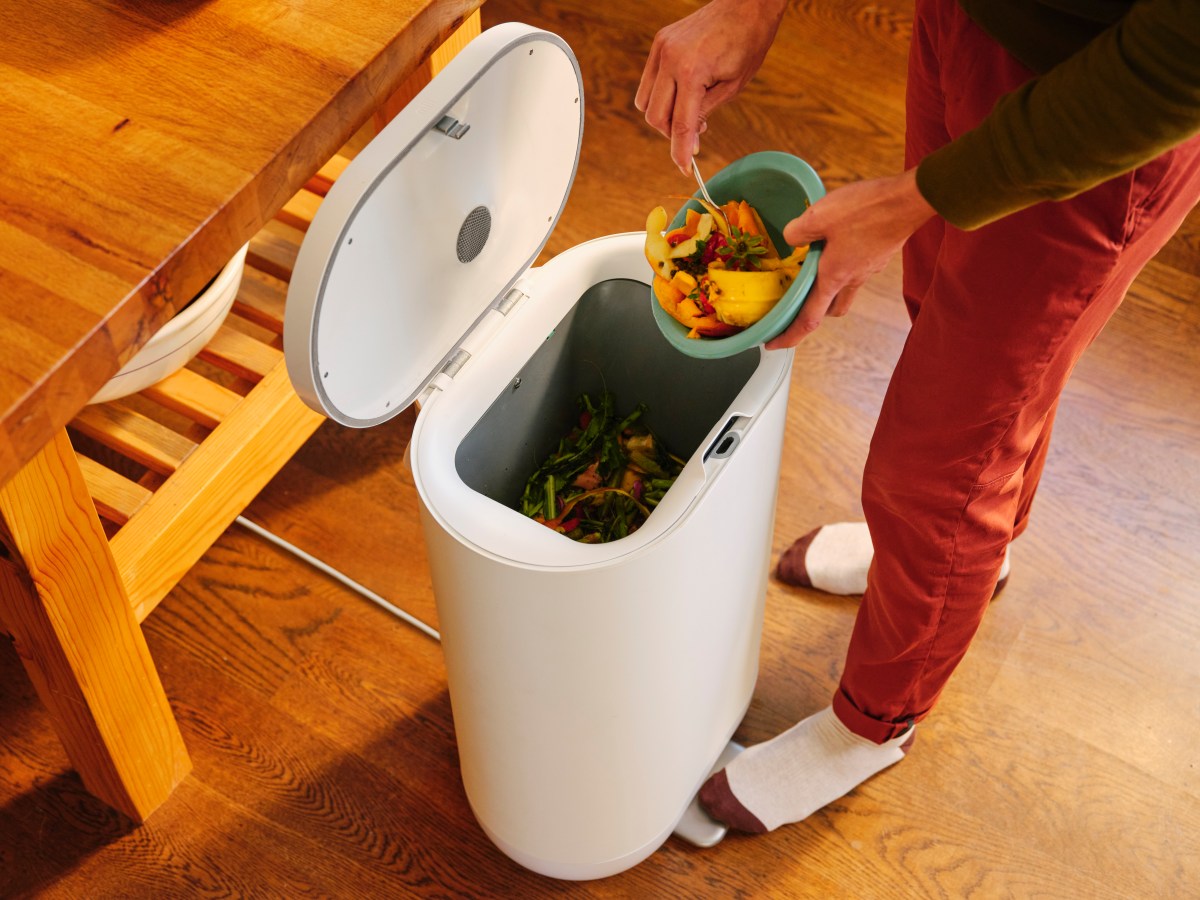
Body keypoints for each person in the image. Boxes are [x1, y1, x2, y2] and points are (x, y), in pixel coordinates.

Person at [636, 0, 1200, 835]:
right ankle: (975, 553)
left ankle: (872, 725)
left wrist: (910, 201)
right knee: (949, 317)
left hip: (1103, 102)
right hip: (969, 25)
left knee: (938, 465)